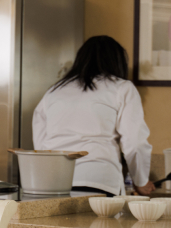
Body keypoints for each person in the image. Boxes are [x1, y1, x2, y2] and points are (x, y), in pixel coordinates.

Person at [33, 35, 154, 197]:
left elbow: (41, 145)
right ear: (116, 62)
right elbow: (135, 142)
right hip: (98, 181)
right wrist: (141, 181)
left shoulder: (54, 92)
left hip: (54, 183)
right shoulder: (122, 88)